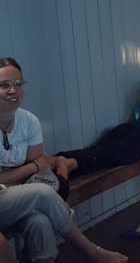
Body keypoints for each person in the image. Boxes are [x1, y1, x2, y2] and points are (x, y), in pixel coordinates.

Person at [0, 57, 127, 263]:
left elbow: (36, 172)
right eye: (4, 85)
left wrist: (28, 169)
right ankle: (91, 250)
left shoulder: (28, 120)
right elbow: (35, 165)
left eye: (17, 84)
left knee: (39, 222)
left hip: (14, 196)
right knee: (42, 192)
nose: (12, 91)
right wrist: (31, 167)